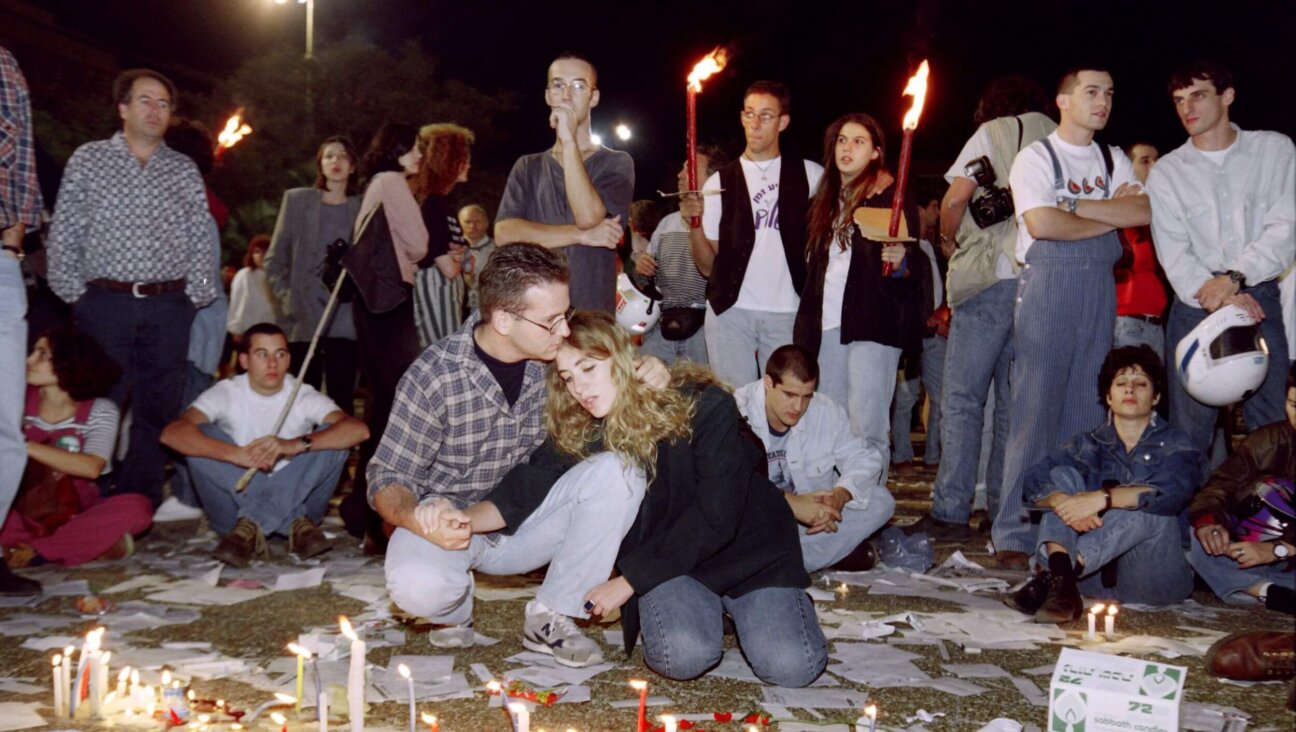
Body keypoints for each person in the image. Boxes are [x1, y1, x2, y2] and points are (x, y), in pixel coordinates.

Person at [469, 312, 827, 685]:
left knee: (791, 667)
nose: (579, 388)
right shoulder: (587, 425)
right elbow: (530, 483)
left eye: (589, 368)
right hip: (674, 566)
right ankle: (708, 612)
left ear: (623, 358)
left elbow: (717, 517)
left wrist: (626, 583)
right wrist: (462, 521)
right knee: (684, 655)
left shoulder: (702, 403)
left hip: (748, 555)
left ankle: (764, 608)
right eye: (568, 378)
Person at [369, 243, 668, 666]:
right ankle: (452, 612)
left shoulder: (555, 358)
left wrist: (650, 368)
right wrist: (417, 518)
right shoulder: (433, 376)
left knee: (619, 473)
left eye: (565, 314)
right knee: (419, 587)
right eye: (551, 321)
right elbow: (387, 477)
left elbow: (607, 360)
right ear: (505, 320)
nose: (564, 330)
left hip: (533, 523)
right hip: (455, 529)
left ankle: (552, 615)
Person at [993, 67, 1150, 568]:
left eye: (1109, 92)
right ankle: (1015, 532)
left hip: (1098, 290)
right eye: (1091, 92)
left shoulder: (1114, 157)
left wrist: (1076, 206)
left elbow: (1142, 212)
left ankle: (1063, 529)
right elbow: (1041, 223)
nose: (1102, 101)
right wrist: (1106, 221)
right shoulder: (1036, 156)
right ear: (1063, 100)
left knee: (1086, 414)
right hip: (1049, 286)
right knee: (1034, 412)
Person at [45, 69, 219, 507]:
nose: (155, 110)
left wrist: (194, 298)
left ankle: (136, 501)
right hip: (104, 303)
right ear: (123, 108)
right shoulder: (89, 160)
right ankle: (86, 494)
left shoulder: (182, 170)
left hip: (169, 305)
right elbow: (64, 232)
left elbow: (202, 240)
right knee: (100, 400)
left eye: (163, 103)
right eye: (145, 100)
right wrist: (76, 296)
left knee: (157, 407)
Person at [910, 75, 1057, 541]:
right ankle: (1003, 511)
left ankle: (952, 508)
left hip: (989, 279)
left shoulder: (994, 132)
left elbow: (956, 196)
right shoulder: (1058, 136)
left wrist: (948, 240)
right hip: (1037, 281)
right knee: (1013, 407)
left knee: (961, 400)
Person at [1146, 61, 1293, 459]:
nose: (1186, 108)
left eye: (1197, 95)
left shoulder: (1275, 149)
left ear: (1227, 96)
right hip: (1196, 302)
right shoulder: (1166, 172)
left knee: (1271, 422)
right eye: (1178, 100)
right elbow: (1173, 252)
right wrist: (1224, 294)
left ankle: (1268, 517)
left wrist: (1235, 278)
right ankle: (1193, 519)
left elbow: (1286, 227)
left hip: (1257, 296)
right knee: (1190, 429)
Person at [1006, 346, 1199, 621]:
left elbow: (1173, 492)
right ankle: (1063, 581)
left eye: (1140, 384)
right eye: (1121, 384)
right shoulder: (1087, 444)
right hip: (1094, 581)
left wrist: (1102, 499)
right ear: (1108, 396)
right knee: (1061, 477)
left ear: (1155, 397)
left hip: (1155, 577)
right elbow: (1035, 479)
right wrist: (1064, 503)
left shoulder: (1178, 445)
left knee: (1147, 504)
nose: (1129, 391)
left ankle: (1058, 576)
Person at [161, 323, 368, 566]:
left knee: (332, 438)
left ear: (289, 359)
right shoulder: (226, 392)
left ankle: (254, 523)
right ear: (244, 360)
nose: (272, 364)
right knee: (199, 435)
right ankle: (288, 519)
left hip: (287, 514)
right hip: (239, 515)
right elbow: (171, 434)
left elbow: (358, 430)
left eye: (280, 354)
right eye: (262, 354)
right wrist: (236, 455)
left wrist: (293, 445)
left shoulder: (302, 393)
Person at [345, 122, 459, 552]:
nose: (418, 156)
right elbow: (418, 243)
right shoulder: (392, 182)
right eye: (412, 148)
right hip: (389, 304)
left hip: (373, 303)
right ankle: (374, 519)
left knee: (382, 404)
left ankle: (363, 514)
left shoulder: (377, 183)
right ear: (395, 150)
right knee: (392, 410)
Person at [793, 113, 928, 464]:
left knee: (867, 425)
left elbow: (913, 265)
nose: (847, 148)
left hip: (872, 324)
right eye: (841, 140)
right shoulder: (821, 201)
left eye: (858, 142)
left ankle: (870, 511)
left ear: (875, 154)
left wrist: (901, 263)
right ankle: (833, 504)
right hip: (826, 325)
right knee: (829, 420)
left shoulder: (889, 196)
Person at [691, 81, 824, 386]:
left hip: (787, 310)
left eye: (766, 115)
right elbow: (706, 266)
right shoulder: (718, 183)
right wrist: (694, 224)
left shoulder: (811, 175)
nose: (755, 123)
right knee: (733, 404)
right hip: (730, 311)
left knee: (784, 404)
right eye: (750, 114)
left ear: (783, 122)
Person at [734, 344, 892, 572]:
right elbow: (733, 485)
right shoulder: (737, 409)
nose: (798, 406)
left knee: (881, 500)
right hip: (756, 520)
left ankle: (783, 564)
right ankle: (825, 555)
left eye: (806, 396)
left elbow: (864, 459)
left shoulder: (826, 411)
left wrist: (841, 494)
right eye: (789, 395)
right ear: (768, 383)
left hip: (810, 524)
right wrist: (792, 504)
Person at [1, 329, 152, 568]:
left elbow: (91, 467)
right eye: (32, 353)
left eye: (41, 355)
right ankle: (78, 546)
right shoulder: (14, 401)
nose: (29, 360)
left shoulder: (100, 410)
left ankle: (35, 552)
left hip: (74, 511)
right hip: (17, 508)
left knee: (138, 508)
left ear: (68, 362)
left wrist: (22, 445)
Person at [496, 53, 634, 312]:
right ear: (548, 96)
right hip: (533, 313)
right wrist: (582, 236)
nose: (567, 95)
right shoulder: (527, 166)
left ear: (594, 97)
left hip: (590, 311)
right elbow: (505, 233)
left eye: (579, 86)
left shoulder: (616, 162)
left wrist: (569, 140)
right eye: (558, 86)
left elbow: (588, 217)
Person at [156, 119, 230, 523]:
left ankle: (188, 495)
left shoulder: (194, 207)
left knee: (189, 410)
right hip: (187, 322)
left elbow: (204, 274)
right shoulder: (194, 201)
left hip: (193, 324)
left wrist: (187, 300)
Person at [263, 136, 363, 415]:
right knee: (299, 398)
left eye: (343, 156)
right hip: (303, 315)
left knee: (340, 397)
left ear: (353, 166)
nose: (336, 161)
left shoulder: (363, 206)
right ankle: (297, 455)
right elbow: (273, 259)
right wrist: (287, 298)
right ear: (320, 163)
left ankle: (338, 458)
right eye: (329, 155)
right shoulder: (297, 200)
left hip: (344, 316)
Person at [1188, 362, 1295, 614]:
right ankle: (1268, 591)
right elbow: (1220, 487)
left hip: (1284, 552)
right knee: (1200, 538)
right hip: (1259, 551)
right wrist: (1209, 523)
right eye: (1293, 405)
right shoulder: (1268, 441)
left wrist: (1278, 549)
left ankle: (1248, 587)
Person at [1, 46, 43, 594]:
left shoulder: (5, 63)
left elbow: (20, 157)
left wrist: (12, 242)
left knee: (5, 430)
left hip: (1, 259)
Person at [633, 146, 727, 365]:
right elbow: (647, 281)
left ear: (713, 179)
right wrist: (643, 268)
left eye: (690, 168)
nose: (680, 175)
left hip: (704, 335)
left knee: (703, 395)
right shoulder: (667, 223)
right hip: (661, 331)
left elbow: (717, 275)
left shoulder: (724, 223)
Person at [891, 180, 947, 472]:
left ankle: (933, 457)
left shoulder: (935, 249)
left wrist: (942, 313)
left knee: (941, 398)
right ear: (923, 208)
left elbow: (942, 290)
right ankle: (901, 455)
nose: (938, 214)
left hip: (935, 335)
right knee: (905, 398)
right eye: (936, 207)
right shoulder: (906, 247)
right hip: (910, 336)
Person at [411, 124, 473, 348]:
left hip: (445, 292)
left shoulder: (442, 204)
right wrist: (457, 258)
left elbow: (466, 261)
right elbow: (449, 267)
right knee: (444, 356)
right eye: (463, 157)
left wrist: (460, 257)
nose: (469, 163)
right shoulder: (432, 205)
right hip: (436, 291)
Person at [1113, 141, 1168, 358]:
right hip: (1127, 323)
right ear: (1128, 167)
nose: (1154, 166)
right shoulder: (1117, 211)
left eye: (1157, 160)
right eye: (1145, 161)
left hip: (1155, 322)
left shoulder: (1157, 213)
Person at [228, 236, 279, 340]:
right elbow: (237, 303)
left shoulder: (278, 277)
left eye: (265, 251)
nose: (261, 255)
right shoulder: (245, 275)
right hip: (249, 330)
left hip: (273, 330)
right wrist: (236, 328)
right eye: (257, 252)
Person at [458, 204, 496, 315]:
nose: (472, 226)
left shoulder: (497, 250)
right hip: (458, 309)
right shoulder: (450, 251)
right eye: (467, 222)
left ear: (486, 223)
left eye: (477, 221)